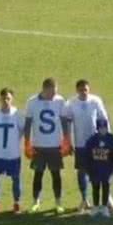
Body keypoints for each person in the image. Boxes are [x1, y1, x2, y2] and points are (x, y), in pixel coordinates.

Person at [64, 79, 112, 212]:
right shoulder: (71, 103)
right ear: (77, 90)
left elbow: (104, 119)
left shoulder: (95, 101)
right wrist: (68, 141)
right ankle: (84, 199)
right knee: (82, 171)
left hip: (96, 143)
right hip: (80, 144)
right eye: (81, 90)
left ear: (89, 89)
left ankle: (106, 198)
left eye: (86, 89)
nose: (84, 92)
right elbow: (67, 122)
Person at [24, 77, 70, 214]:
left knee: (56, 174)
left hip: (55, 145)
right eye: (52, 92)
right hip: (39, 145)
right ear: (45, 89)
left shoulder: (60, 101)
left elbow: (63, 121)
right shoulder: (32, 102)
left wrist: (66, 139)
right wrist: (27, 142)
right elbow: (28, 124)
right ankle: (35, 202)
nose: (53, 95)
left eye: (55, 92)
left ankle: (58, 202)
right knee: (38, 174)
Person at [0, 88, 25, 214]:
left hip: (13, 154)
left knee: (16, 179)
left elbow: (23, 130)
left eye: (8, 98)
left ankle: (17, 203)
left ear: (12, 99)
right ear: (0, 99)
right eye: (3, 98)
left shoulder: (17, 114)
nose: (6, 101)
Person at [86, 119, 113, 218]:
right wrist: (89, 170)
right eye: (100, 128)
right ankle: (95, 207)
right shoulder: (92, 140)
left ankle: (105, 207)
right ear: (97, 128)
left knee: (105, 187)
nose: (102, 130)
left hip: (106, 169)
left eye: (104, 128)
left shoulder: (111, 140)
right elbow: (87, 156)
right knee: (95, 187)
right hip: (95, 169)